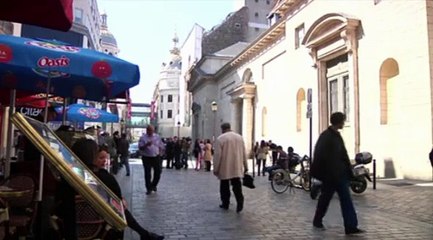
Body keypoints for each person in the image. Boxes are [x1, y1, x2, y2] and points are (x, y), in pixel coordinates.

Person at [71, 139, 164, 240]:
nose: (104, 160)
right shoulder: (104, 176)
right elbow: (117, 200)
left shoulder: (69, 177)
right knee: (120, 212)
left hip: (73, 226)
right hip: (101, 226)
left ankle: (144, 233)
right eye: (99, 156)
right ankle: (144, 234)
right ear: (93, 156)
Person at [310, 112, 364, 235]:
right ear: (339, 122)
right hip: (330, 175)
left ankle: (350, 226)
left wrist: (348, 170)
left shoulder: (336, 136)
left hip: (340, 174)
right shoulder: (326, 136)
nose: (344, 124)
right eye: (343, 121)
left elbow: (343, 155)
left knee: (346, 200)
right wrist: (322, 174)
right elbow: (319, 156)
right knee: (325, 198)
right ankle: (317, 220)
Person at [213, 123, 248, 213]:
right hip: (237, 166)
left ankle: (225, 203)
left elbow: (217, 155)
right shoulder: (239, 137)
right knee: (237, 185)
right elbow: (244, 153)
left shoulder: (221, 139)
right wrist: (246, 165)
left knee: (224, 186)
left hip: (225, 166)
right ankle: (240, 202)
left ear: (222, 129)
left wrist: (215, 168)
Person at [139, 125, 165, 195]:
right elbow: (140, 148)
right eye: (149, 130)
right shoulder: (143, 138)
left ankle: (153, 185)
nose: (150, 132)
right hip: (146, 157)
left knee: (158, 171)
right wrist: (146, 145)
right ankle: (148, 188)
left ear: (153, 131)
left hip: (156, 157)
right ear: (147, 130)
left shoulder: (157, 137)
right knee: (147, 174)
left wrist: (161, 153)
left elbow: (161, 146)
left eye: (151, 130)